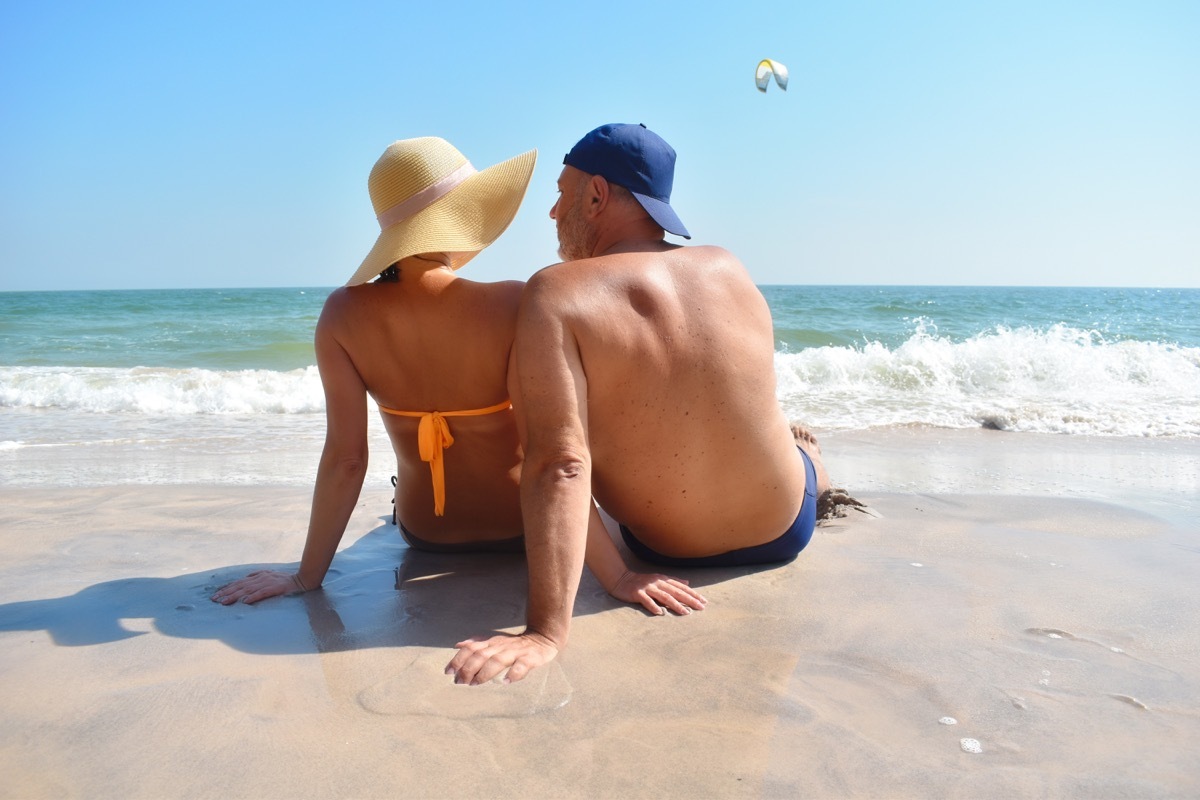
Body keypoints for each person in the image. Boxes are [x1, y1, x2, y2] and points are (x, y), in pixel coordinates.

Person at [211, 136, 705, 615]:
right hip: (522, 531)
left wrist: (304, 577)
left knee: (398, 492)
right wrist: (617, 576)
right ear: (459, 219)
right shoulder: (513, 302)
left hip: (426, 537)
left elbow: (345, 460)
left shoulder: (341, 315)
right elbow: (551, 455)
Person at [446, 123, 831, 685]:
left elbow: (559, 464)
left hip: (671, 551)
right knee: (800, 454)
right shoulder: (728, 265)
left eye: (561, 192)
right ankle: (813, 457)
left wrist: (548, 630)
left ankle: (807, 451)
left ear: (597, 195)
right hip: (784, 530)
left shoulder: (557, 292)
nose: (553, 212)